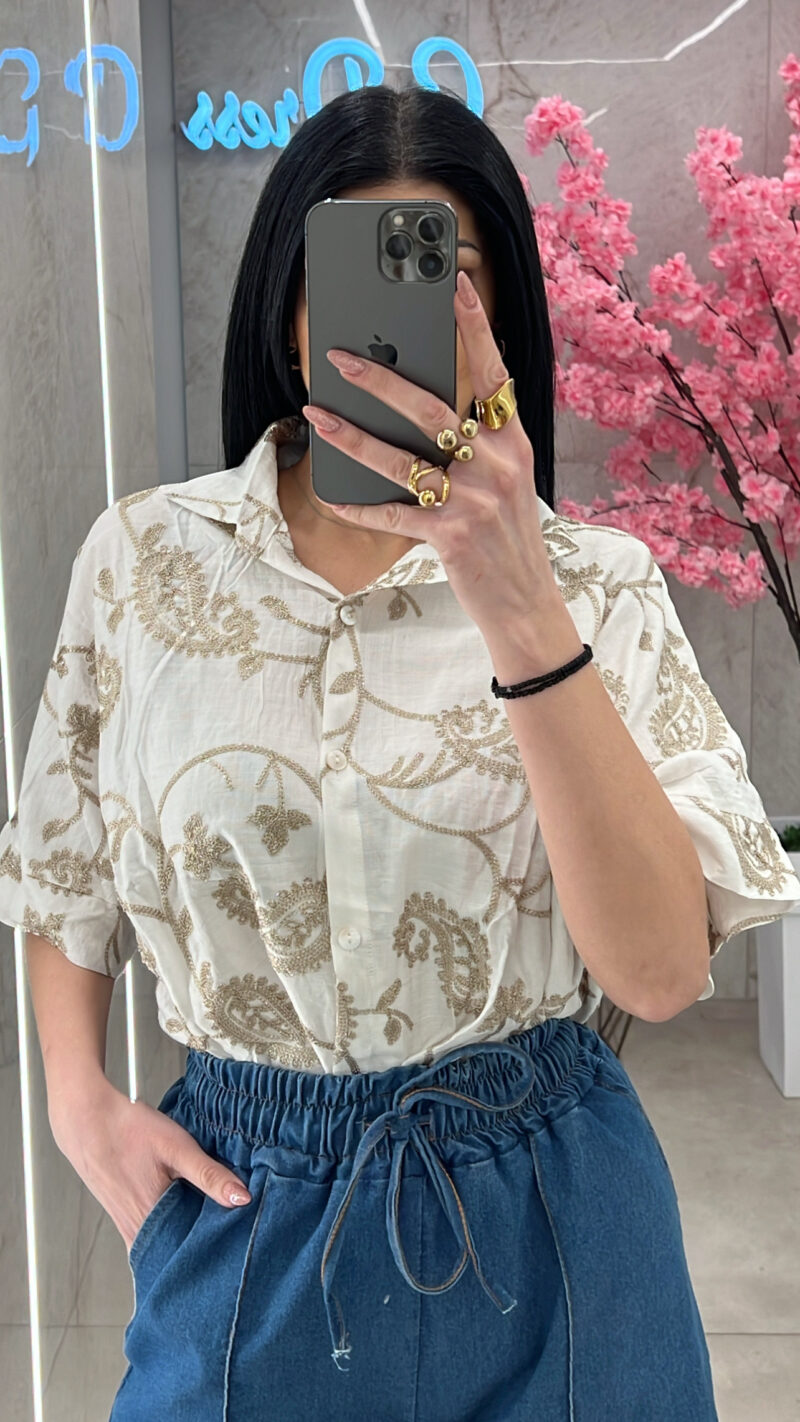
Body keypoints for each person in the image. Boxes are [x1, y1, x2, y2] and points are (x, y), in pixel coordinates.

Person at [1, 82, 799, 1422]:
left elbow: (662, 972)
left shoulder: (595, 583)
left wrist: (517, 596)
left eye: (446, 273)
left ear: (500, 315)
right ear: (287, 303)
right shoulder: (143, 560)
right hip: (249, 1204)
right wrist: (76, 1097)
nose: (400, 315)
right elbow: (59, 862)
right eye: (353, 270)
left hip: (552, 1202)